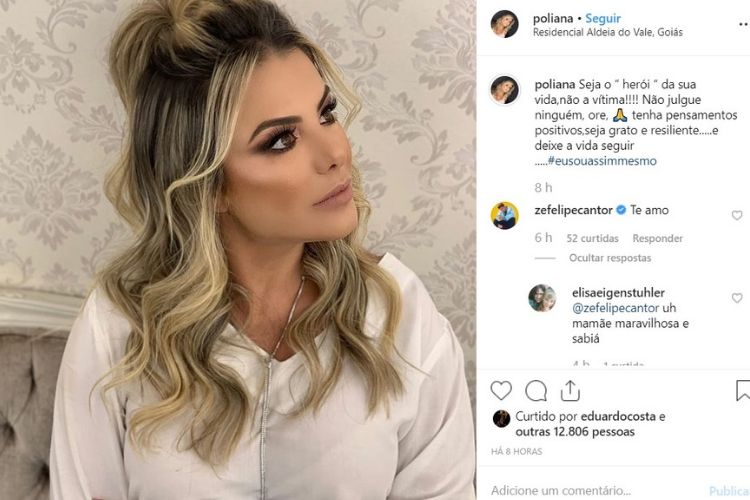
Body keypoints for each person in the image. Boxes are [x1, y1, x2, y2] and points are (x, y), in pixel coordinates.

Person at [48, 1, 475, 499]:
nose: (336, 153)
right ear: (208, 185)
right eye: (280, 140)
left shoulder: (399, 313)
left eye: (326, 113)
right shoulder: (119, 327)